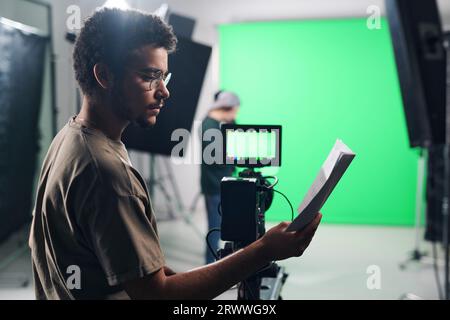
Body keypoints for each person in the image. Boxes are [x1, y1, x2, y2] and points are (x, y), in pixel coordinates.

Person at [28, 8, 322, 300]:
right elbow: (158, 297)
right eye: (149, 77)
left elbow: (136, 274)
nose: (164, 92)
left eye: (164, 78)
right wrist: (264, 251)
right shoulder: (108, 174)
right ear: (104, 75)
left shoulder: (68, 139)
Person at [200, 90, 240, 264]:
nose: (236, 115)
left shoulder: (224, 123)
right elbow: (215, 158)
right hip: (214, 186)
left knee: (227, 226)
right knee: (215, 229)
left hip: (225, 184)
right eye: (235, 110)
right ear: (227, 107)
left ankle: (222, 262)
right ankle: (209, 265)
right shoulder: (209, 125)